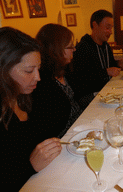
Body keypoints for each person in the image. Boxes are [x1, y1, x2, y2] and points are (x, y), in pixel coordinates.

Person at [0, 27, 62, 191]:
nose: (38, 77)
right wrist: (30, 166)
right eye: (29, 71)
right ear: (3, 70)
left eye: (38, 68)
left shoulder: (23, 96)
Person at [69, 9, 123, 105]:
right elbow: (80, 79)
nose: (110, 32)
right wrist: (106, 72)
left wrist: (118, 64)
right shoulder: (82, 48)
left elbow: (109, 66)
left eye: (111, 28)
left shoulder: (106, 46)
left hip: (106, 89)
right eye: (107, 27)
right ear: (95, 25)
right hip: (88, 95)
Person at [33, 23, 83, 138]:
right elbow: (50, 128)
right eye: (70, 47)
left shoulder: (64, 70)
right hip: (65, 137)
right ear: (55, 49)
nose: (74, 49)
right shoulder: (42, 82)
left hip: (80, 123)